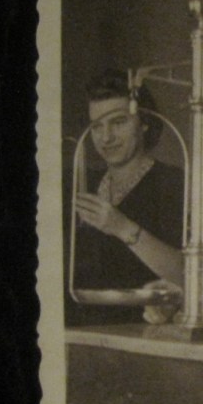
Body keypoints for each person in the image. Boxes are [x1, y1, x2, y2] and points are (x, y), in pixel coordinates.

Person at [67, 70, 184, 326]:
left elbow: (187, 273)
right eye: (97, 126)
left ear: (144, 123)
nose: (106, 137)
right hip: (81, 331)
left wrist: (121, 226)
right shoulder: (82, 184)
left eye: (118, 122)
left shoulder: (174, 184)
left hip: (142, 333)